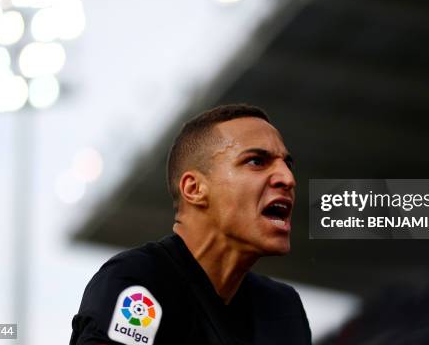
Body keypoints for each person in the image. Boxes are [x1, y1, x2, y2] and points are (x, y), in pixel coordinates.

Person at [70, 104, 312, 345]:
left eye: (287, 164)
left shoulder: (283, 309)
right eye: (256, 161)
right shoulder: (139, 283)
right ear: (194, 189)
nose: (288, 179)